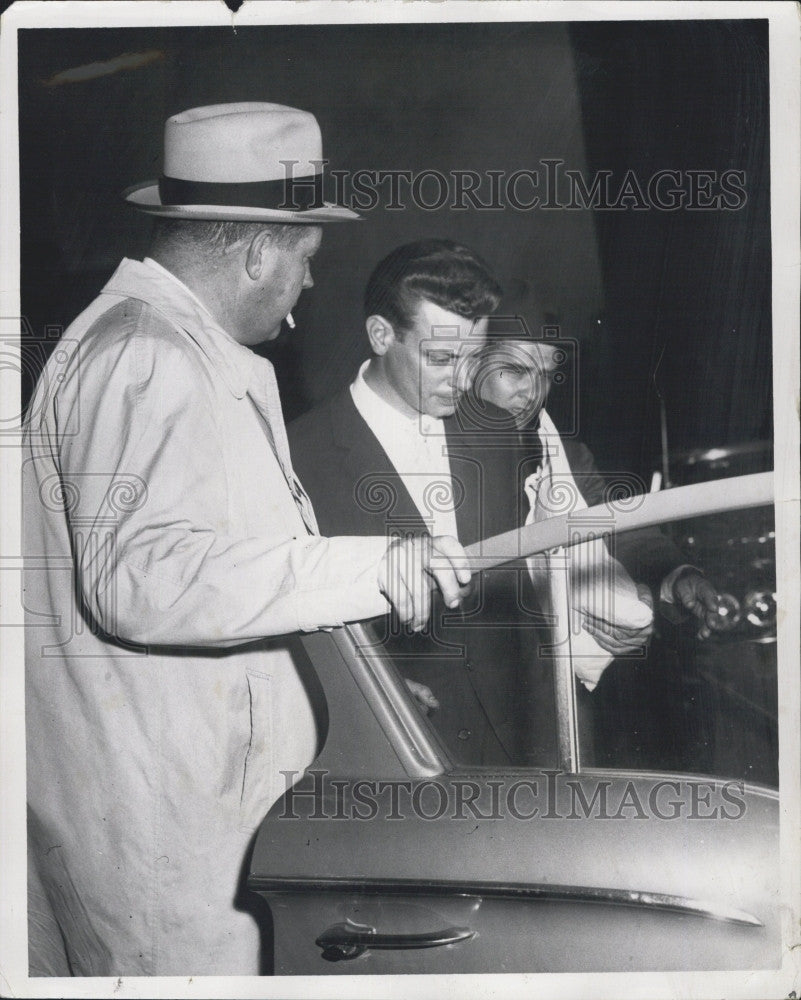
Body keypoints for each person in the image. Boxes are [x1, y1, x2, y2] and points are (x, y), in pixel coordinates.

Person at [22, 104, 471, 977]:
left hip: (184, 823)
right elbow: (145, 580)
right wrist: (374, 563)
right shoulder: (148, 359)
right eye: (304, 259)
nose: (306, 285)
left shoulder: (154, 346)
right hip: (170, 851)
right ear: (259, 249)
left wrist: (346, 688)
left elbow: (225, 576)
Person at [289, 239, 548, 766]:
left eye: (475, 356)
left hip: (519, 740)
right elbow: (285, 616)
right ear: (381, 335)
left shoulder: (498, 430)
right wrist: (374, 688)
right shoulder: (298, 455)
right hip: (400, 745)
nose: (463, 379)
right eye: (442, 358)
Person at [473, 323, 721, 765]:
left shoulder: (561, 453)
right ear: (471, 363)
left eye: (546, 374)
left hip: (553, 710)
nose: (533, 391)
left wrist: (672, 576)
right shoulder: (429, 453)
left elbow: (620, 524)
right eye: (514, 370)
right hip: (465, 707)